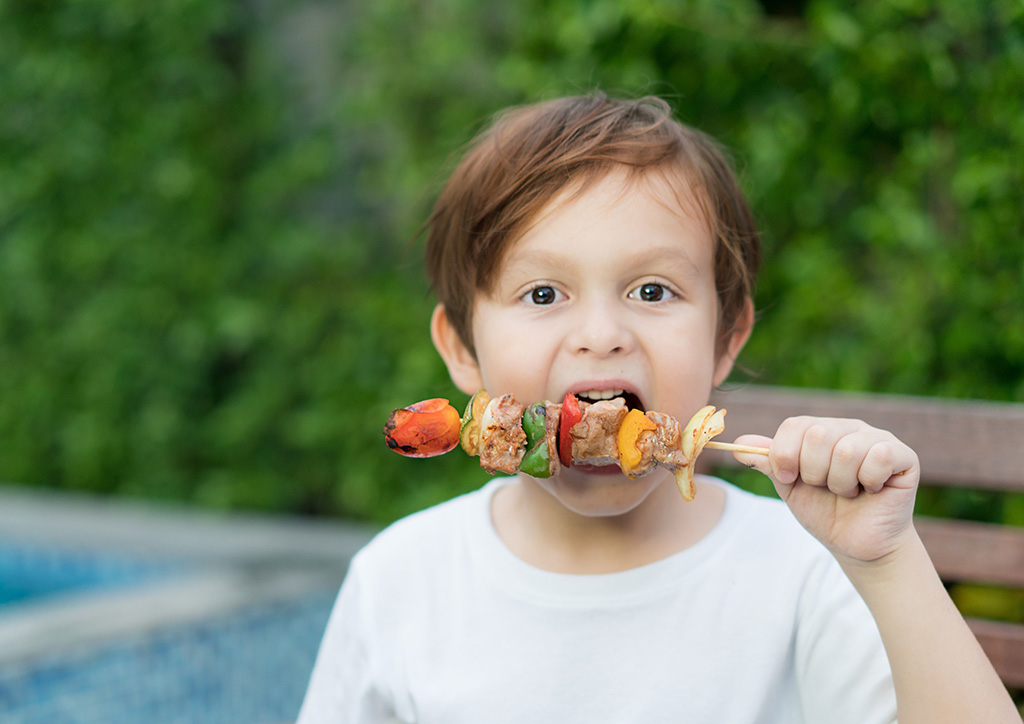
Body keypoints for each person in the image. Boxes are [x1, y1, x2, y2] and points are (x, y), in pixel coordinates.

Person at [297, 93, 1019, 723]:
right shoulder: (399, 581)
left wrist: (890, 564)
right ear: (460, 349)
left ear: (725, 337)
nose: (603, 336)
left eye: (652, 291)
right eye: (543, 294)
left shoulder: (806, 571)